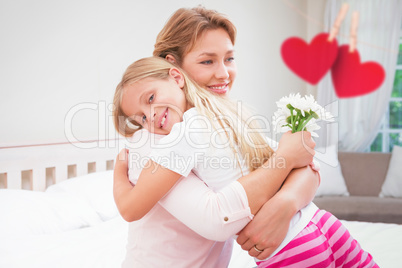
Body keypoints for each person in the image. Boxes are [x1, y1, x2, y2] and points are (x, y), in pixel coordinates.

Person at [114, 56, 378, 268]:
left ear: (176, 77)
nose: (151, 117)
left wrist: (118, 173)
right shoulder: (220, 115)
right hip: (320, 222)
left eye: (150, 99)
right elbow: (303, 159)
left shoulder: (188, 132)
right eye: (141, 119)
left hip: (290, 247)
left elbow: (130, 209)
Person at [113, 6, 319, 267]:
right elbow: (218, 219)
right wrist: (118, 173)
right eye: (207, 61)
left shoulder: (217, 118)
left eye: (229, 59)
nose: (224, 74)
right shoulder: (157, 138)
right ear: (173, 67)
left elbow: (307, 162)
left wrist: (286, 203)